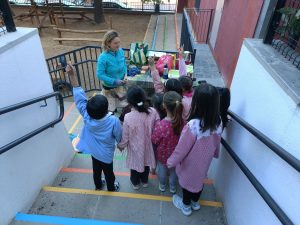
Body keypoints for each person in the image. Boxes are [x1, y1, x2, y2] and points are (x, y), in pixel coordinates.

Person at [167, 83, 222, 216]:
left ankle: (186, 206)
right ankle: (195, 203)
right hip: (204, 163)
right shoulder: (218, 121)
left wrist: (170, 162)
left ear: (197, 103)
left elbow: (181, 150)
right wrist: (215, 153)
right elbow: (217, 142)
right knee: (199, 182)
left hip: (189, 165)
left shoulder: (193, 126)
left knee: (186, 186)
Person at [66, 63, 122, 192]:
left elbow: (79, 98)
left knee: (96, 170)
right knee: (109, 172)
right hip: (106, 154)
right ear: (106, 108)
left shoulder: (86, 115)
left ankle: (98, 185)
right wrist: (120, 144)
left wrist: (72, 75)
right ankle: (111, 187)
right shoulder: (113, 121)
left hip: (94, 151)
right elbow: (119, 135)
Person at [117, 86, 160, 190]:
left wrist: (121, 146)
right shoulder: (153, 111)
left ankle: (135, 183)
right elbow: (158, 127)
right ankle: (145, 181)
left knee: (134, 166)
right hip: (148, 146)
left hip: (135, 148)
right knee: (146, 165)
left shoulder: (128, 117)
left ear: (129, 102)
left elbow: (125, 137)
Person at [151, 91, 184, 194]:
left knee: (162, 169)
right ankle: (173, 187)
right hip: (176, 155)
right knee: (174, 171)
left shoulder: (161, 125)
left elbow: (154, 140)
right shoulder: (183, 123)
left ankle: (162, 185)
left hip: (162, 154)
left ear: (164, 106)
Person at [97, 30, 127, 112]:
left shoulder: (120, 51)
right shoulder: (103, 57)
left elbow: (124, 64)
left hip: (121, 86)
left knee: (126, 106)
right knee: (110, 110)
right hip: (108, 89)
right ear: (108, 43)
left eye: (119, 42)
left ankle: (123, 121)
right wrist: (114, 81)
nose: (118, 45)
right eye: (115, 43)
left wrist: (125, 75)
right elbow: (100, 74)